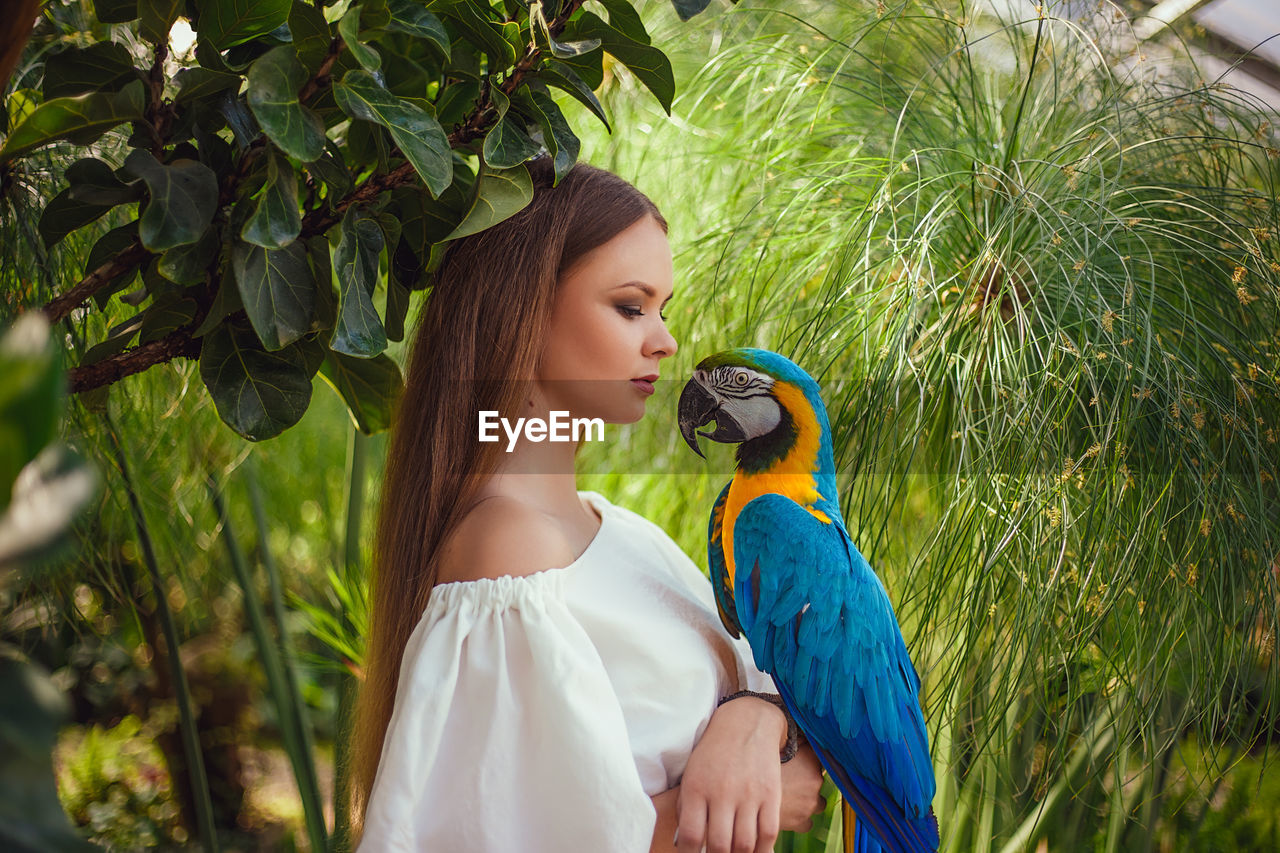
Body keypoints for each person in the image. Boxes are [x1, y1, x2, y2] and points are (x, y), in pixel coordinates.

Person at [350, 154, 826, 853]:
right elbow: (508, 833)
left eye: (663, 310)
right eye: (630, 306)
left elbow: (790, 712)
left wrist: (750, 723)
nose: (664, 341)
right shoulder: (507, 553)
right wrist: (741, 799)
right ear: (524, 310)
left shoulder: (625, 535)